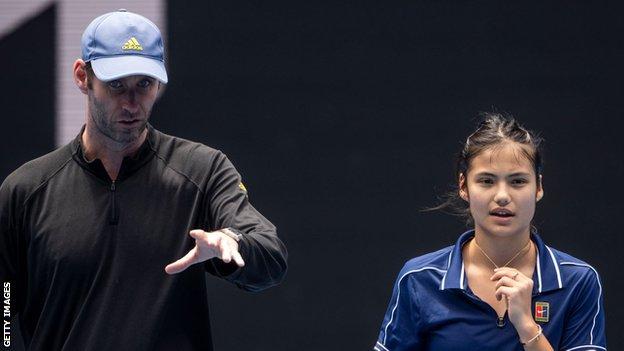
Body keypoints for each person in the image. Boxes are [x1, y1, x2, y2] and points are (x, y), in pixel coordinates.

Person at [0, 9, 287, 350]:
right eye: (117, 85)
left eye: (145, 84)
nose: (132, 103)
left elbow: (271, 257)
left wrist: (233, 243)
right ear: (82, 76)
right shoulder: (26, 190)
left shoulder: (202, 169)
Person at [374, 113, 606, 351]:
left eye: (517, 181)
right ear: (464, 186)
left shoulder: (578, 281)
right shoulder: (419, 278)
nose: (502, 196)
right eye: (486, 181)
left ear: (539, 187)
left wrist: (526, 325)